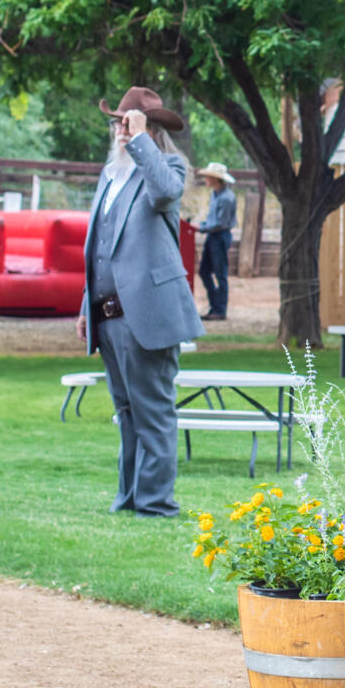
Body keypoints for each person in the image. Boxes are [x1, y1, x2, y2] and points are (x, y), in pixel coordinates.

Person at [82, 86, 202, 517]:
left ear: (148, 129)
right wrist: (85, 307)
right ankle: (130, 497)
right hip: (109, 314)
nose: (118, 129)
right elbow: (99, 245)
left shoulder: (167, 166)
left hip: (148, 312)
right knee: (127, 413)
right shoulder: (110, 176)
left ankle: (156, 502)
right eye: (117, 122)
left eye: (127, 122)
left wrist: (139, 143)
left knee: (153, 412)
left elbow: (167, 193)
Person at [197, 160, 236, 321]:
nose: (206, 179)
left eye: (209, 176)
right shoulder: (216, 194)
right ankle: (215, 306)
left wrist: (202, 228)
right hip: (213, 235)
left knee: (220, 274)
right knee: (204, 271)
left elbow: (221, 223)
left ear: (216, 179)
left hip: (219, 236)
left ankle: (219, 310)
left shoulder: (226, 198)